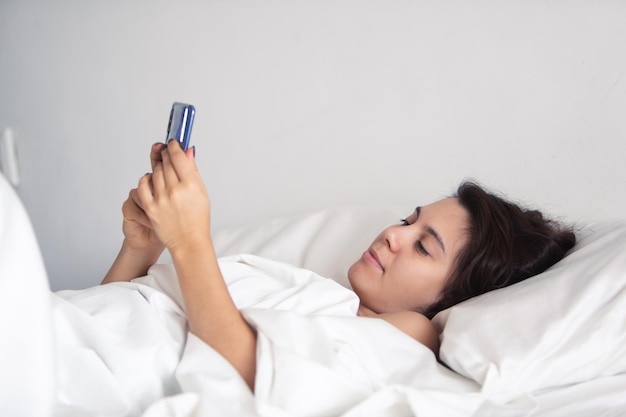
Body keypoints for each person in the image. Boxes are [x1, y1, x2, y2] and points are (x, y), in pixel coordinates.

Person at [102, 140, 576, 392]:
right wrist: (141, 250)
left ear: (457, 298)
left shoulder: (413, 334)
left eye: (422, 247)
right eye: (407, 222)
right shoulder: (326, 298)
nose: (394, 234)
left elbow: (249, 371)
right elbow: (114, 323)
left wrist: (189, 242)